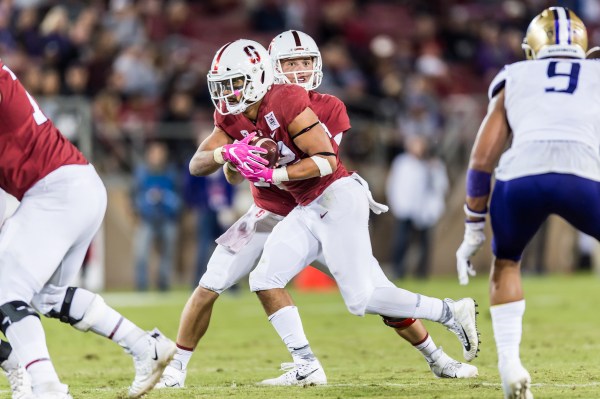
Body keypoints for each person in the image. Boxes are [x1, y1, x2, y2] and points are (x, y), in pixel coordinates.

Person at [186, 38, 480, 386]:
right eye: (290, 64)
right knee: (263, 280)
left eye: (304, 62)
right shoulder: (244, 109)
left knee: (366, 297)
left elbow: (323, 163)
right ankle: (307, 366)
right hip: (283, 212)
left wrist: (269, 170)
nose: (298, 71)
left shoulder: (314, 105)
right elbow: (220, 167)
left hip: (329, 199)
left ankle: (447, 318)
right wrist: (232, 157)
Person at [0, 60, 176, 398]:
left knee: (7, 292)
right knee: (47, 297)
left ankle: (46, 387)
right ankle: (145, 347)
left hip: (55, 189)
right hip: (74, 185)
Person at [455, 7, 599, 399]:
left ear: (532, 48)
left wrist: (472, 229)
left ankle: (510, 365)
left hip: (521, 177)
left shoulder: (514, 74)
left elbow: (483, 158)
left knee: (506, 263)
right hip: (584, 175)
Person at [386, 135, 448, 279]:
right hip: (405, 208)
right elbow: (394, 185)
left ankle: (422, 273)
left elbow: (441, 186)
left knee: (424, 243)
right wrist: (397, 204)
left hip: (425, 210)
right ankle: (398, 270)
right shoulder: (402, 163)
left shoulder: (433, 164)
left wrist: (433, 170)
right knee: (401, 240)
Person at [131, 140, 182, 291]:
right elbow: (134, 195)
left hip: (167, 218)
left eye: (160, 153)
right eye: (154, 153)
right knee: (141, 253)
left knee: (168, 254)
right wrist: (143, 205)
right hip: (147, 219)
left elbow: (180, 197)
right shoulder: (141, 173)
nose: (157, 157)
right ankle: (141, 285)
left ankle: (163, 284)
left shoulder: (171, 173)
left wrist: (166, 199)